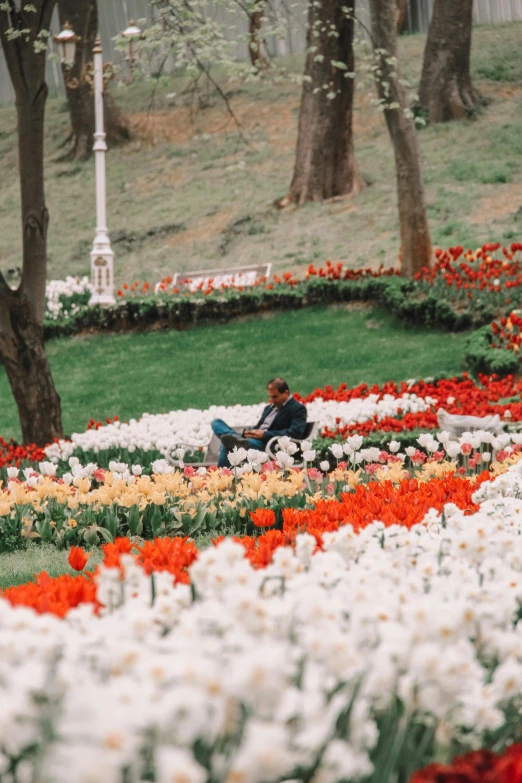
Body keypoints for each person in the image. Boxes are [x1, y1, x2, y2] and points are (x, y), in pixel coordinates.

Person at [211, 377, 307, 468]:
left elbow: (295, 433)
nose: (272, 400)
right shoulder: (269, 408)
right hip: (253, 440)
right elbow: (259, 427)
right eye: (270, 397)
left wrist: (265, 434)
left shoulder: (297, 409)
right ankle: (235, 438)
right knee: (216, 422)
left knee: (227, 444)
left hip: (268, 444)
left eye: (275, 397)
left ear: (286, 393)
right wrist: (250, 432)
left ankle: (222, 479)